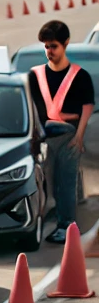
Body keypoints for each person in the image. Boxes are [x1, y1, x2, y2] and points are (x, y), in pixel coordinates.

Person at [27, 21, 94, 244]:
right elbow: (35, 109)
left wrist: (79, 135)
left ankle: (66, 227)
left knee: (66, 185)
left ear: (65, 44)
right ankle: (52, 221)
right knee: (48, 185)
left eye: (53, 46)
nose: (49, 52)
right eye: (46, 47)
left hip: (69, 139)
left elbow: (86, 107)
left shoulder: (80, 76)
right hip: (46, 138)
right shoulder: (35, 75)